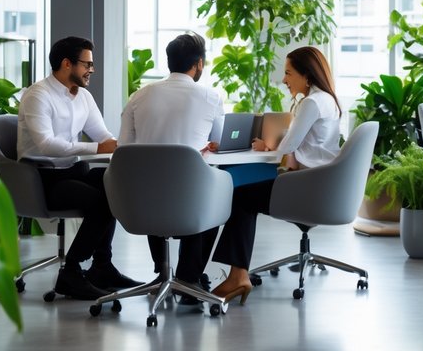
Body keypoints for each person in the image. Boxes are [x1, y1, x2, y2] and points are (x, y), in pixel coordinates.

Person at [209, 46, 342, 303]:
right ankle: (237, 274)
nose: (284, 80)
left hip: (306, 189)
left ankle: (238, 276)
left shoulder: (312, 102)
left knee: (240, 195)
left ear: (307, 75)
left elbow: (288, 147)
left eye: (289, 73)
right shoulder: (330, 100)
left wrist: (269, 146)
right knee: (248, 192)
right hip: (321, 187)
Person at [18, 36, 142, 300]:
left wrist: (128, 148)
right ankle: (71, 272)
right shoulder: (37, 95)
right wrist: (98, 149)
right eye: (87, 64)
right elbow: (47, 145)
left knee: (114, 184)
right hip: (42, 178)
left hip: (72, 171)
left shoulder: (83, 97)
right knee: (102, 201)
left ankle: (102, 267)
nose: (92, 70)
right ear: (66, 64)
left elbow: (103, 136)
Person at [118, 32, 225, 303]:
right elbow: (219, 145)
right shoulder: (210, 98)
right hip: (192, 204)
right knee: (213, 189)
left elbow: (124, 149)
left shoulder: (138, 97)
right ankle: (189, 278)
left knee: (154, 178)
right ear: (199, 63)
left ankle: (162, 271)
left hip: (143, 203)